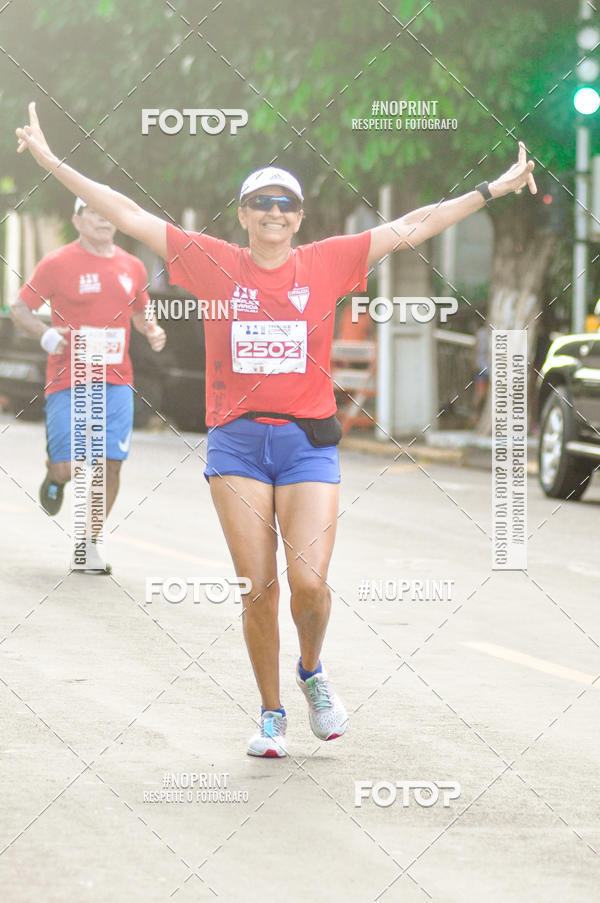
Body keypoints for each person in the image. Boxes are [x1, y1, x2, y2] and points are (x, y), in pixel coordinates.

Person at [15, 101, 536, 755]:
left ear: (298, 217)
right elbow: (126, 213)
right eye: (261, 202)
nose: (274, 212)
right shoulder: (210, 260)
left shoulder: (326, 262)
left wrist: (492, 188)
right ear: (243, 214)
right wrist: (50, 160)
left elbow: (411, 225)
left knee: (310, 584)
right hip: (235, 443)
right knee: (257, 587)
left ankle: (312, 672)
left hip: (305, 445)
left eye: (285, 203)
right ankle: (270, 713)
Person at [10, 190, 166, 574]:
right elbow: (19, 308)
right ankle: (54, 473)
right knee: (69, 467)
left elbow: (141, 311)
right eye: (90, 212)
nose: (101, 218)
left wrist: (153, 329)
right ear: (77, 221)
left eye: (106, 212)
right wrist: (46, 335)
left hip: (116, 380)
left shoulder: (132, 267)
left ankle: (89, 544)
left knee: (110, 464)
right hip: (67, 378)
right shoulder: (57, 263)